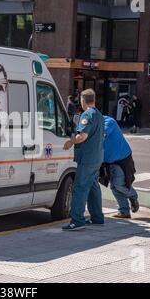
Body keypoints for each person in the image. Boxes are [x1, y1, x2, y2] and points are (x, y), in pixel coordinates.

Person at [62, 89, 105, 231]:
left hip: (87, 157)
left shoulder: (87, 114)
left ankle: (77, 220)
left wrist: (70, 142)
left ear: (82, 100)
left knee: (80, 187)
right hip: (97, 156)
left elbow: (82, 136)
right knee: (93, 186)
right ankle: (97, 217)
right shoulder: (98, 114)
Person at [100, 116, 139, 218]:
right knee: (114, 187)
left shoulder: (108, 121)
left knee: (118, 184)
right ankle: (124, 211)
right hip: (108, 161)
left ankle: (133, 196)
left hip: (121, 158)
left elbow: (102, 134)